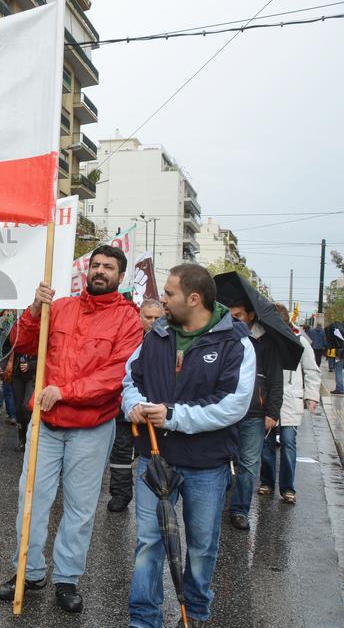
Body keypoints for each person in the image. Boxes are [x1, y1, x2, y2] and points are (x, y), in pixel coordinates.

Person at [0, 245, 143, 614]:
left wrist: (65, 392)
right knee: (31, 500)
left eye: (109, 267)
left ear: (120, 277)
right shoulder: (59, 307)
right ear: (86, 271)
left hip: (91, 426)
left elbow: (116, 376)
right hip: (45, 424)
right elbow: (21, 343)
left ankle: (67, 578)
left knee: (79, 508)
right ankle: (28, 572)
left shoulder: (129, 321)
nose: (100, 271)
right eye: (96, 265)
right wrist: (33, 309)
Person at [122, 264, 255, 628]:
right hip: (155, 459)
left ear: (193, 299)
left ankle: (194, 613)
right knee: (148, 543)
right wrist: (132, 404)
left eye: (169, 294)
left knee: (201, 548)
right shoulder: (156, 334)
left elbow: (233, 405)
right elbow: (131, 378)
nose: (163, 299)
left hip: (207, 466)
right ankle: (144, 619)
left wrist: (174, 416)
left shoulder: (236, 342)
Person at [227, 297, 284, 531]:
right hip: (226, 410)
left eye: (238, 315)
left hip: (254, 413)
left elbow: (275, 379)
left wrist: (272, 411)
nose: (233, 319)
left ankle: (240, 510)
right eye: (230, 315)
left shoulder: (267, 342)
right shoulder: (224, 338)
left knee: (249, 464)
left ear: (250, 315)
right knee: (221, 461)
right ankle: (218, 504)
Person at [107, 299, 164, 513]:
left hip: (155, 410)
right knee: (121, 454)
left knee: (151, 454)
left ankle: (156, 493)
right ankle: (120, 494)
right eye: (148, 317)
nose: (152, 322)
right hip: (125, 408)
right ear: (140, 318)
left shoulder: (169, 341)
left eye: (157, 318)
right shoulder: (128, 339)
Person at [260, 304, 320, 504]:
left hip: (290, 399)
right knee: (267, 443)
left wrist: (311, 396)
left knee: (288, 442)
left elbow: (311, 370)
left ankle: (287, 488)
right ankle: (267, 482)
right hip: (268, 400)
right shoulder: (266, 340)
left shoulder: (299, 340)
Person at [10, 351, 37, 450]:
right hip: (17, 376)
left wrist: (30, 365)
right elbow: (6, 350)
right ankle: (22, 439)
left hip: (32, 376)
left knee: (27, 407)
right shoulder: (16, 336)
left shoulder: (40, 335)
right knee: (18, 409)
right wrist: (2, 366)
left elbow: (46, 356)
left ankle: (31, 440)